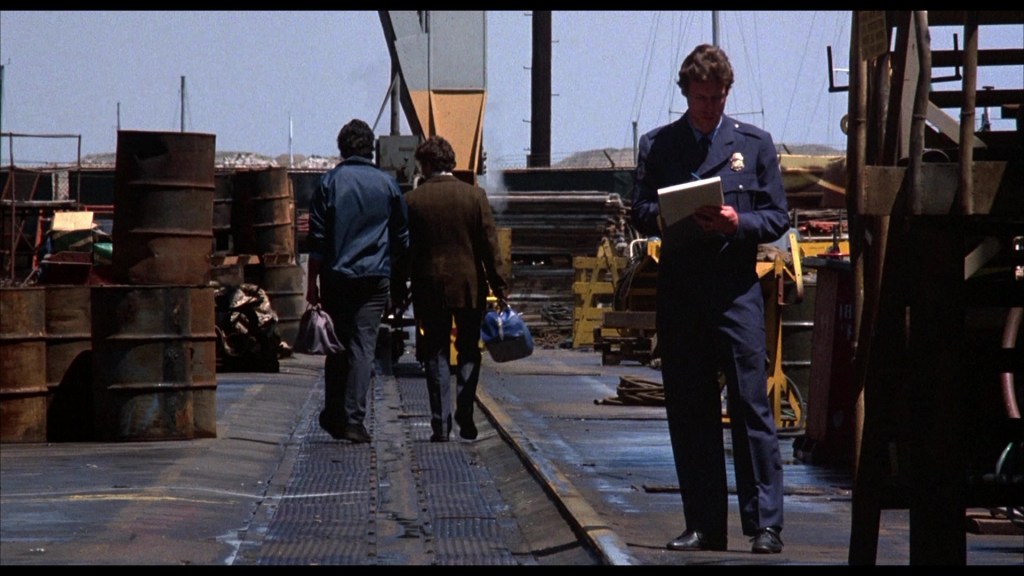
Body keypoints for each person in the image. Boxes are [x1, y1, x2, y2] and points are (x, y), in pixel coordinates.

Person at [630, 44, 790, 555]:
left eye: (717, 98)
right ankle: (704, 523)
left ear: (727, 93)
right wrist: (664, 215)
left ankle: (765, 525)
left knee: (750, 407)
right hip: (681, 292)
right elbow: (638, 208)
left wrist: (736, 222)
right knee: (690, 410)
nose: (709, 107)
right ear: (686, 94)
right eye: (701, 98)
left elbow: (777, 216)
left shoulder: (756, 145)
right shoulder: (659, 146)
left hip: (735, 290)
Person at [396, 135, 508, 442]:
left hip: (428, 288)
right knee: (469, 352)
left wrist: (396, 291)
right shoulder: (475, 197)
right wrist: (500, 287)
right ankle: (466, 415)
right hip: (469, 288)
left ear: (427, 164)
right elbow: (489, 247)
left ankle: (439, 424)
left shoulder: (412, 201)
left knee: (435, 354)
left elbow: (403, 252)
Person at [306, 118, 409, 444]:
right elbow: (401, 239)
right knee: (362, 348)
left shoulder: (328, 183)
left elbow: (317, 242)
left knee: (335, 346)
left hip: (336, 276)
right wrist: (397, 280)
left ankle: (333, 415)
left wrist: (312, 285)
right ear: (371, 148)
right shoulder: (388, 184)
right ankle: (354, 420)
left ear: (342, 148)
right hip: (375, 278)